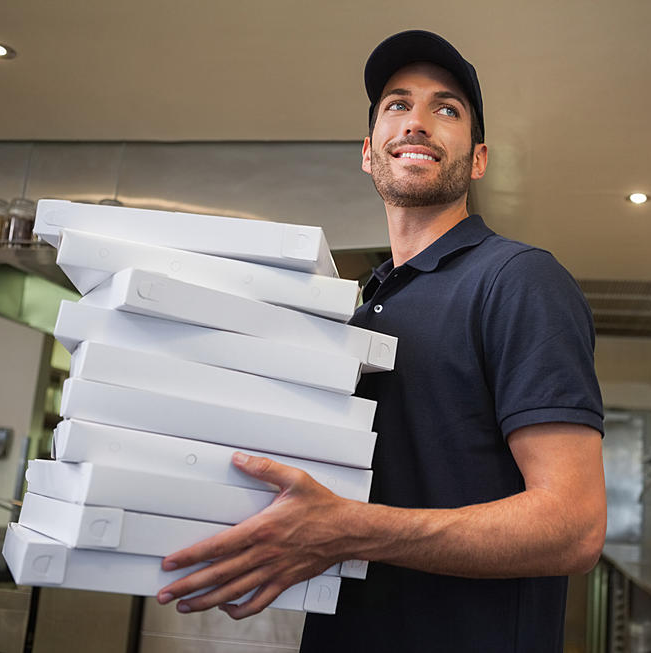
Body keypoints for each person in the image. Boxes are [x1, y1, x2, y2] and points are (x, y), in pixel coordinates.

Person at [156, 30, 606, 652]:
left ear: (477, 159)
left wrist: (348, 530)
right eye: (398, 105)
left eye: (446, 109)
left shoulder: (518, 279)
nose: (417, 122)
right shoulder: (363, 308)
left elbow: (574, 528)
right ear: (369, 152)